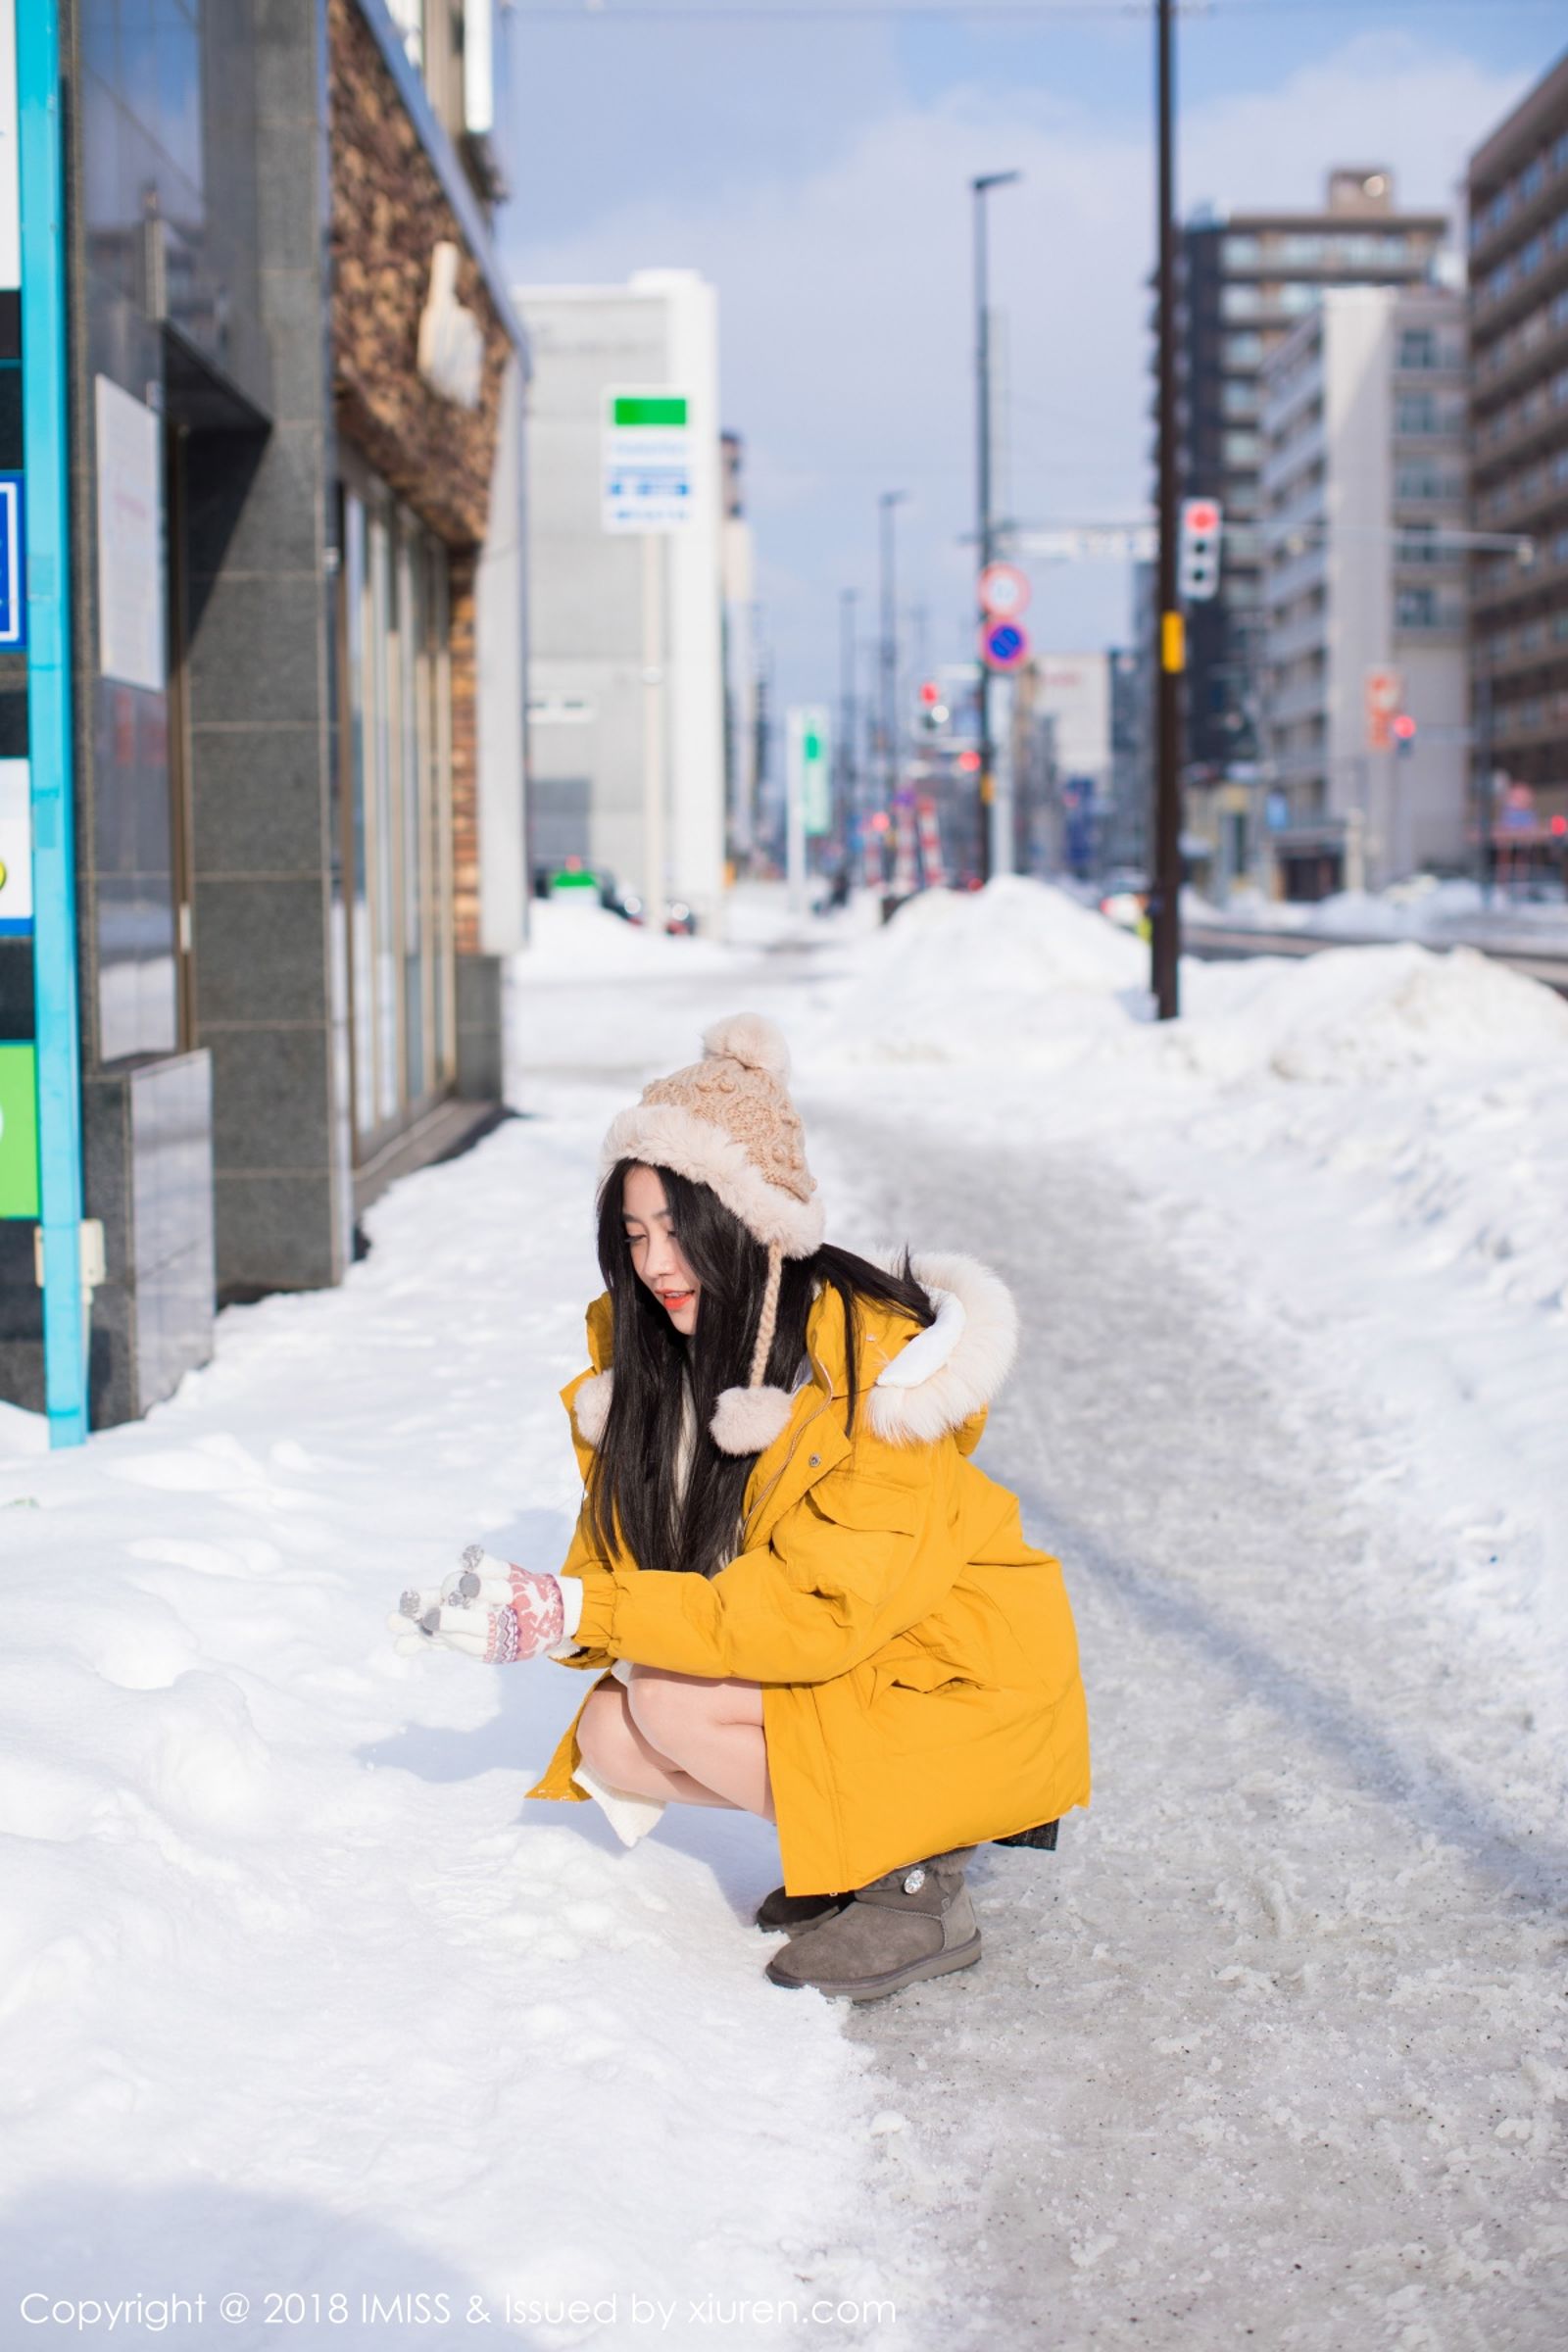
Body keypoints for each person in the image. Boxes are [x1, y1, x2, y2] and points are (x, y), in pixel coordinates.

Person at [387, 1013, 1090, 2002]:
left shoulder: (873, 1378)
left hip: (952, 1682)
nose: (656, 1265)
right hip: (860, 1676)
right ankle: (857, 1853)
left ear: (758, 1225)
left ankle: (913, 1884)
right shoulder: (668, 1362)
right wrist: (537, 1610)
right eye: (633, 1235)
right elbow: (621, 1567)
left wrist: (588, 1612)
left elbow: (816, 1613)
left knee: (669, 1701)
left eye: (680, 1230)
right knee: (613, 1739)